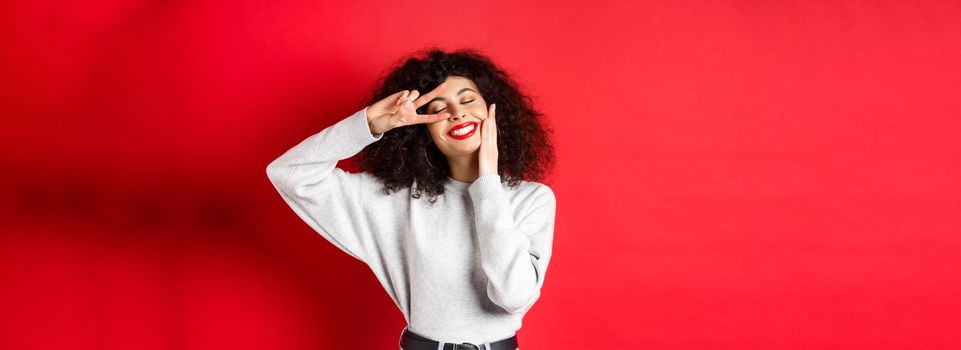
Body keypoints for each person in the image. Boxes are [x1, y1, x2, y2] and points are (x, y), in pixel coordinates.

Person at [265, 48, 556, 350]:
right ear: (425, 130)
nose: (456, 113)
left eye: (468, 100)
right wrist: (370, 124)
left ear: (495, 112)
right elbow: (290, 173)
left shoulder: (531, 199)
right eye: (439, 108)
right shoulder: (395, 201)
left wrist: (487, 184)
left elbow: (512, 296)